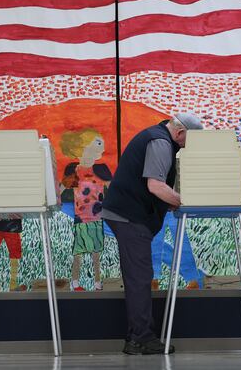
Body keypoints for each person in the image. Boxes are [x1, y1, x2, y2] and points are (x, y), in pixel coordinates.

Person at [101, 112, 203, 355]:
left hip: (128, 215)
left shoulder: (156, 136)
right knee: (139, 278)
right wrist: (185, 202)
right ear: (180, 133)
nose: (189, 146)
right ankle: (142, 339)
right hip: (129, 217)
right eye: (191, 140)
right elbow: (155, 185)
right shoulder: (160, 142)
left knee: (139, 276)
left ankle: (136, 337)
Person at [60, 128, 112, 291]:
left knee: (96, 252)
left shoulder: (101, 170)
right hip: (80, 220)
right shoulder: (74, 170)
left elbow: (115, 190)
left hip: (97, 219)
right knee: (79, 251)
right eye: (98, 144)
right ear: (84, 146)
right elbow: (59, 190)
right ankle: (75, 282)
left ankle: (97, 282)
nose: (102, 149)